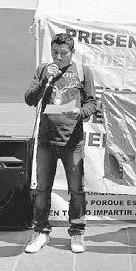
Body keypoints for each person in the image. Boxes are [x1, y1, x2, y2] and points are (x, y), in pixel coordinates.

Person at [24, 33, 97, 253]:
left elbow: (92, 103)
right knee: (42, 188)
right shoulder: (43, 70)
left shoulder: (83, 72)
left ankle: (77, 232)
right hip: (46, 140)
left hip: (72, 141)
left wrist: (79, 113)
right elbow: (29, 99)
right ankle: (40, 231)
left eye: (63, 53)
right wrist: (45, 80)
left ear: (72, 52)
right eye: (55, 52)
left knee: (76, 189)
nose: (58, 57)